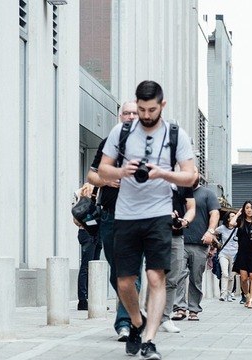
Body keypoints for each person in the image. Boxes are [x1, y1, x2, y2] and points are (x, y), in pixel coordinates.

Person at [98, 80, 197, 359]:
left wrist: (162, 173)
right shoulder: (122, 131)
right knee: (125, 281)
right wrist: (121, 172)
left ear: (162, 105)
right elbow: (102, 170)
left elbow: (191, 176)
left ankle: (150, 341)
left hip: (158, 214)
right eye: (141, 109)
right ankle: (137, 322)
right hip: (126, 215)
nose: (145, 115)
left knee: (156, 277)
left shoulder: (177, 134)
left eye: (151, 109)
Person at [87, 100, 138, 340]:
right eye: (126, 113)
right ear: (120, 117)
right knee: (117, 272)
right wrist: (106, 181)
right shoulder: (108, 144)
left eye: (134, 113)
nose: (129, 116)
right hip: (110, 215)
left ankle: (125, 323)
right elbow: (91, 175)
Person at [173, 177, 221, 320]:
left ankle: (193, 309)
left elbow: (215, 213)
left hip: (200, 243)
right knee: (179, 275)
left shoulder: (207, 194)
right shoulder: (177, 192)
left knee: (196, 277)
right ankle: (180, 308)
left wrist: (210, 231)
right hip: (179, 240)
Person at [158, 184, 195, 333]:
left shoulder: (183, 181)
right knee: (155, 277)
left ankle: (166, 318)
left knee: (173, 279)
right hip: (154, 234)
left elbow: (191, 207)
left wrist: (183, 221)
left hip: (176, 236)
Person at [74, 183, 102, 311]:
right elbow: (76, 218)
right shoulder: (81, 192)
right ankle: (82, 300)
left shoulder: (103, 191)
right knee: (86, 266)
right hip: (87, 233)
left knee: (95, 267)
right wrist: (92, 223)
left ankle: (93, 300)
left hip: (97, 233)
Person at [216, 211, 239, 302]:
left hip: (234, 254)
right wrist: (217, 243)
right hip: (224, 253)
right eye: (232, 216)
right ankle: (223, 294)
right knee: (224, 273)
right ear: (228, 219)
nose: (234, 218)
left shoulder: (238, 229)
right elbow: (213, 232)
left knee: (231, 276)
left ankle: (229, 294)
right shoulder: (222, 228)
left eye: (235, 216)